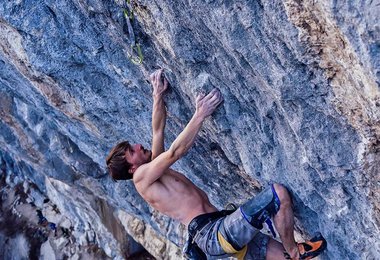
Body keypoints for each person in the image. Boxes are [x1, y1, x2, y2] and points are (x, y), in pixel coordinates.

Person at [106, 69, 327, 260]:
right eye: (131, 152)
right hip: (215, 234)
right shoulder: (141, 178)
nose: (137, 146)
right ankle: (295, 250)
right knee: (277, 195)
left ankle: (292, 254)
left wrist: (157, 94)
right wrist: (200, 114)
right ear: (132, 169)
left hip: (220, 232)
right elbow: (175, 152)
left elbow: (158, 130)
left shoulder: (151, 168)